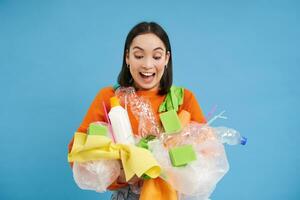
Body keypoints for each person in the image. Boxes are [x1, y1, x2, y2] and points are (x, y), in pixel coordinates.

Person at [68, 21, 206, 200]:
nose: (147, 65)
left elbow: (206, 153)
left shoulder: (184, 100)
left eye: (156, 57)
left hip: (173, 195)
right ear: (127, 57)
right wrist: (120, 176)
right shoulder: (110, 98)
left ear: (166, 59)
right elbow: (78, 153)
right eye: (139, 55)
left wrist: (173, 159)